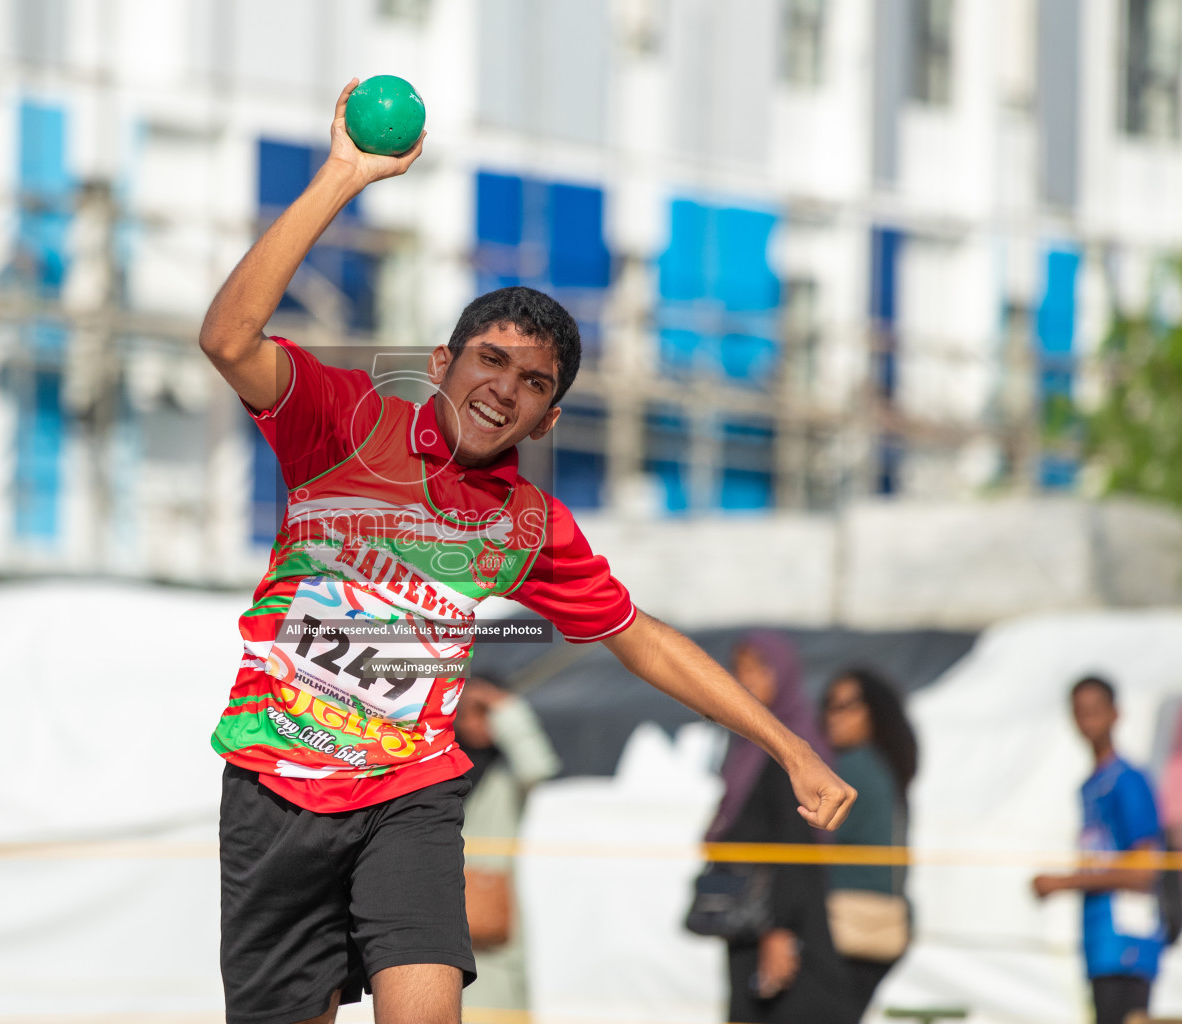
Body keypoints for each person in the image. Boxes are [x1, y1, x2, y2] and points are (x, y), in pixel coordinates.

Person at [200, 79, 856, 1024]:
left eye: (533, 382)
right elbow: (227, 337)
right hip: (272, 789)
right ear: (442, 364)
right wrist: (344, 174)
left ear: (550, 416)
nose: (505, 389)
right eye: (490, 361)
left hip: (407, 795)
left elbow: (644, 640)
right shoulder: (343, 422)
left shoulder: (530, 525)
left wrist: (790, 746)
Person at [710, 630, 848, 1024]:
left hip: (780, 924)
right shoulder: (748, 749)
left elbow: (797, 845)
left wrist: (781, 932)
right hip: (747, 921)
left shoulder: (796, 754)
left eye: (758, 669)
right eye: (739, 669)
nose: (745, 679)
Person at [1033, 676, 1166, 1024]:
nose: (1089, 720)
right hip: (1099, 939)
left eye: (1096, 710)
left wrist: (1063, 883)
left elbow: (1144, 870)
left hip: (1127, 939)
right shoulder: (1090, 785)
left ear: (1115, 714)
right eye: (1081, 712)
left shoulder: (1128, 780)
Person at [451, 676, 560, 1017]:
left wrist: (505, 707)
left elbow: (539, 766)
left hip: (494, 906)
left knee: (500, 997)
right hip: (440, 899)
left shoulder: (506, 772)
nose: (476, 721)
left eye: (486, 712)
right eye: (467, 711)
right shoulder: (444, 768)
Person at [823, 667, 919, 1024]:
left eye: (848, 705)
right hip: (889, 922)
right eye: (830, 705)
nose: (834, 715)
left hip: (846, 922)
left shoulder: (851, 767)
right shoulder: (888, 765)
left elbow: (817, 842)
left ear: (875, 712)